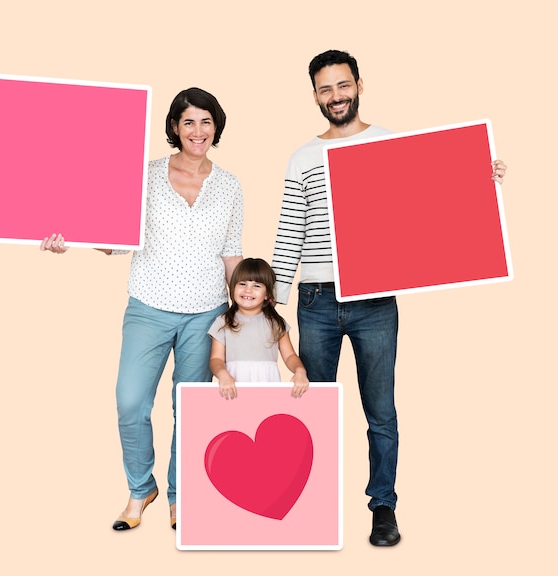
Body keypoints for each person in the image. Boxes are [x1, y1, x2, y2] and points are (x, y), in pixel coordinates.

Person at [271, 49, 507, 546]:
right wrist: (271, 308)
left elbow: (431, 206)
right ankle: (311, 503)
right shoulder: (301, 158)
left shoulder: (389, 144)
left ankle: (383, 506)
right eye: (324, 89)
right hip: (315, 300)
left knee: (380, 409)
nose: (335, 96)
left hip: (375, 301)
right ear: (314, 95)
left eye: (342, 85)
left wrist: (479, 181)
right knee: (312, 406)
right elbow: (289, 234)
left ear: (358, 84)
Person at [41, 87, 244, 532]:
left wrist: (246, 314)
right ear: (174, 127)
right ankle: (140, 488)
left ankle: (180, 495)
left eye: (206, 121)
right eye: (188, 121)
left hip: (206, 314)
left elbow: (231, 254)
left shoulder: (230, 186)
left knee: (189, 409)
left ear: (216, 127)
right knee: (130, 403)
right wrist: (67, 236)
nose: (198, 130)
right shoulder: (145, 175)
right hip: (148, 308)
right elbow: (113, 240)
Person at [208, 257, 309, 400]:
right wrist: (222, 375)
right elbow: (216, 359)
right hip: (233, 389)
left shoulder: (276, 323)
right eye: (242, 284)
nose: (248, 290)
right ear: (233, 287)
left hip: (268, 386)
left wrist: (300, 371)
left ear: (267, 293)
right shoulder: (223, 322)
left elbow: (290, 356)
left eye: (256, 286)